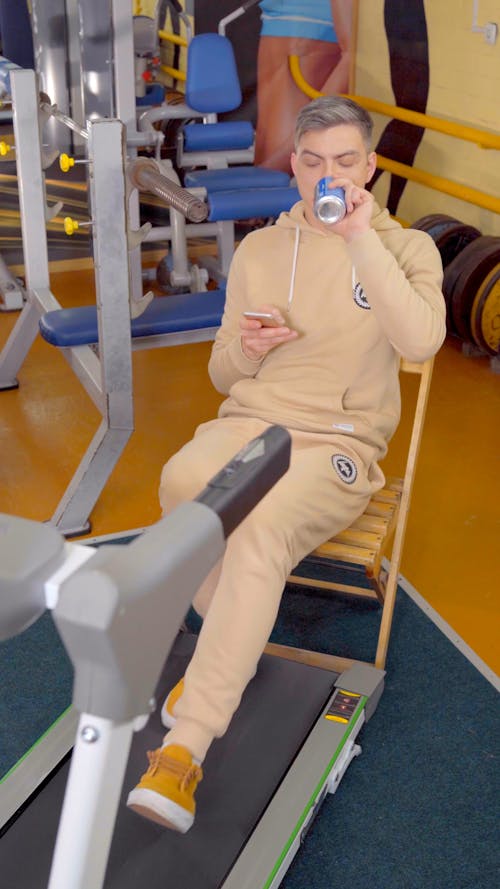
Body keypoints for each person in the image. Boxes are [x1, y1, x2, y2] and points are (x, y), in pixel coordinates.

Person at [126, 95, 446, 833]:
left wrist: (362, 236)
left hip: (336, 445)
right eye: (312, 161)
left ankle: (186, 747)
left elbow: (422, 340)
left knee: (258, 529)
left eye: (344, 160)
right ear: (295, 168)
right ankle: (227, 643)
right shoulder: (264, 249)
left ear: (367, 166)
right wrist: (251, 350)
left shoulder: (406, 250)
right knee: (181, 484)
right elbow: (222, 373)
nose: (327, 175)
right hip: (251, 423)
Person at [254, 1, 353, 172]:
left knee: (277, 176)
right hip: (291, 35)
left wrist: (276, 163)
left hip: (307, 38)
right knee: (273, 170)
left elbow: (353, 57)